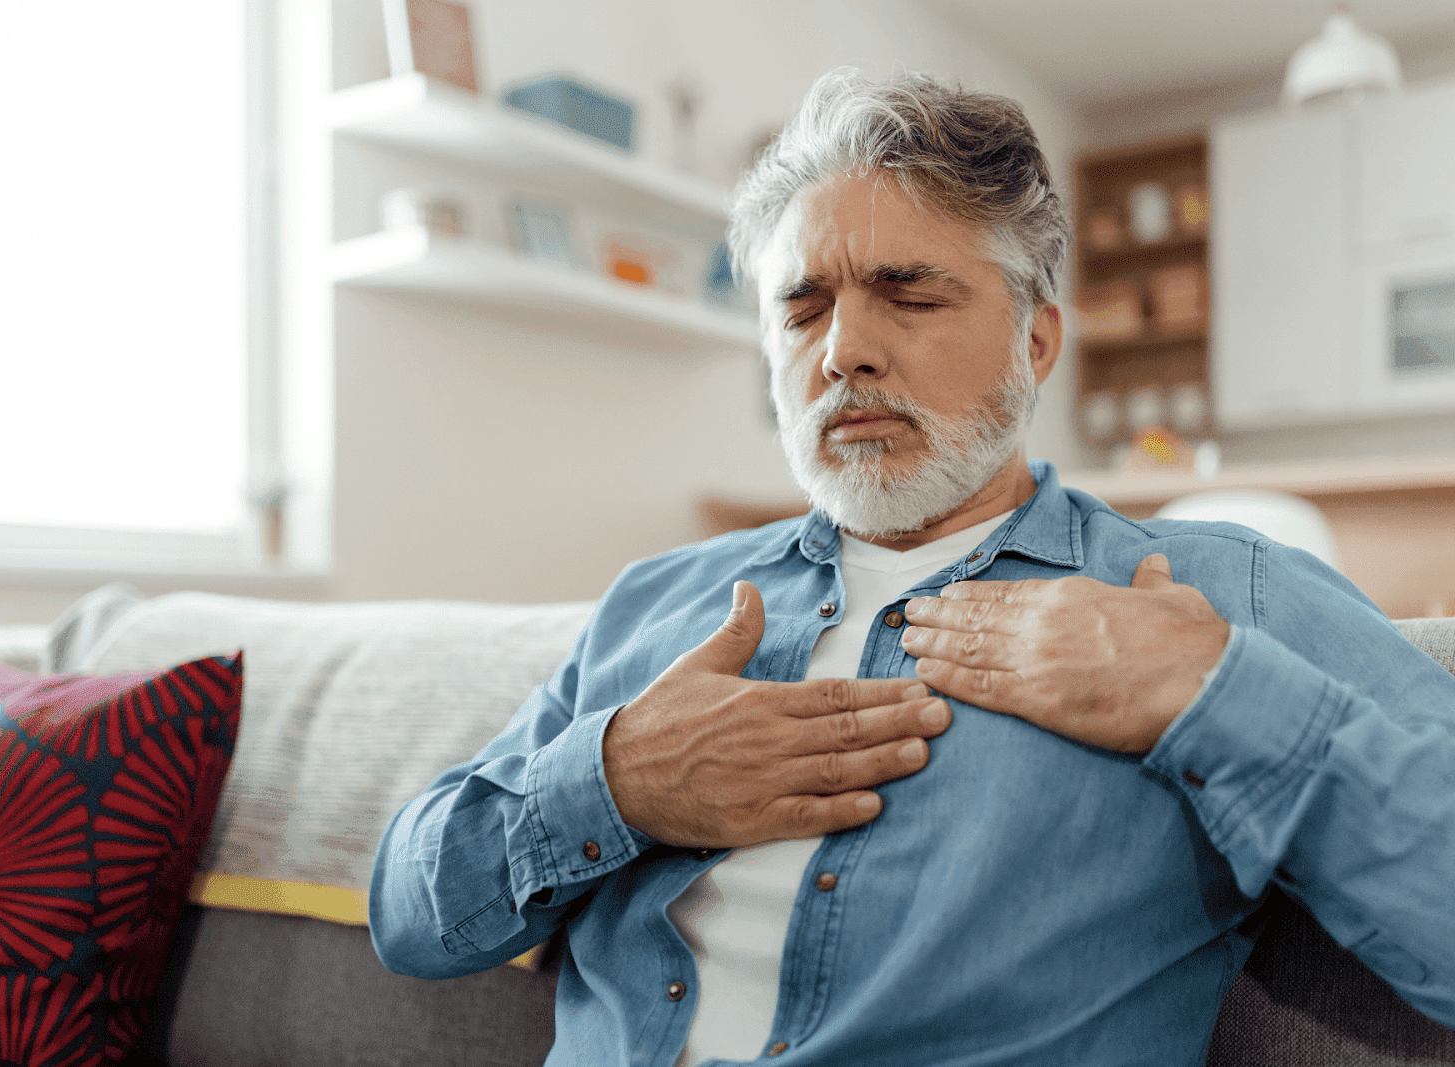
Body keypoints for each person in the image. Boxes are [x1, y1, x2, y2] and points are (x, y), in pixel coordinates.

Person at [369, 67, 1455, 1065]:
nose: (843, 349)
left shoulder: (1216, 594)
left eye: (911, 293)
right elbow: (409, 916)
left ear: (1035, 343)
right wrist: (613, 780)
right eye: (802, 307)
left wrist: (1212, 695)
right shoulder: (655, 603)